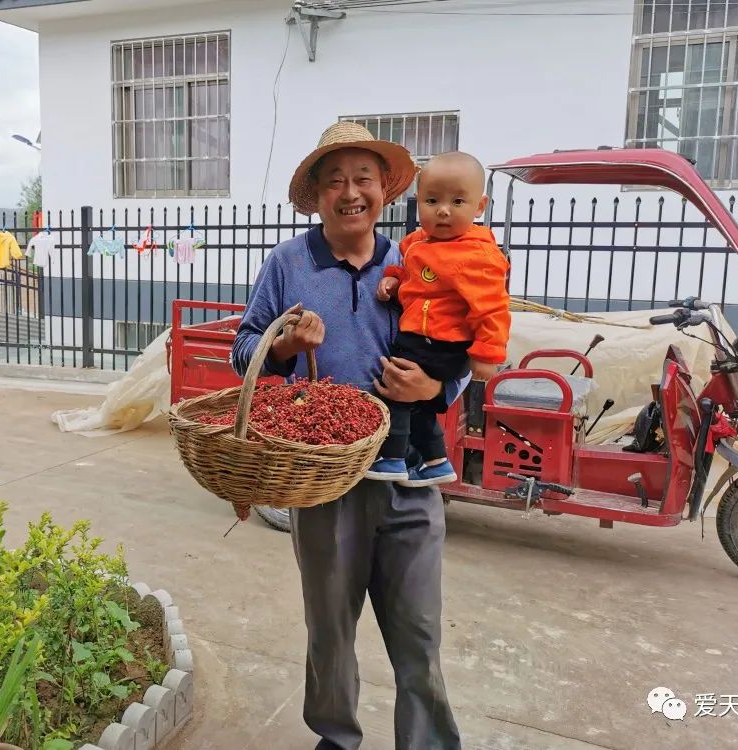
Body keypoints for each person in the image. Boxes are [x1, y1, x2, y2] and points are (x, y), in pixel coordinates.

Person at [231, 121, 462, 750]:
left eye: (363, 178)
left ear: (385, 188)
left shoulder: (421, 257)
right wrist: (284, 343)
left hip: (411, 475)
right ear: (317, 195)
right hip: (325, 477)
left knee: (419, 631)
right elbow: (244, 347)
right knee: (329, 628)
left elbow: (460, 348)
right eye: (335, 181)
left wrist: (435, 391)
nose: (350, 192)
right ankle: (336, 737)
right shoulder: (287, 263)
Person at [368, 151, 511, 487]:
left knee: (394, 391)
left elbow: (492, 308)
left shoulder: (477, 255)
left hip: (440, 342)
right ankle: (436, 462)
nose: (443, 210)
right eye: (432, 200)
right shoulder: (420, 241)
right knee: (418, 405)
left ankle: (391, 459)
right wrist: (393, 278)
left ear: (480, 206)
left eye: (458, 201)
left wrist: (487, 355)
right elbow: (412, 273)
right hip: (425, 336)